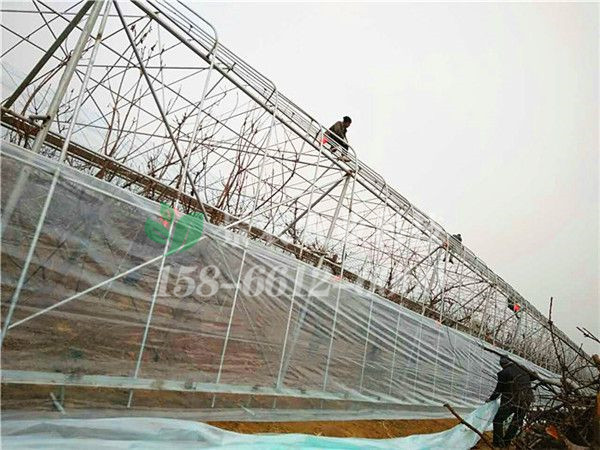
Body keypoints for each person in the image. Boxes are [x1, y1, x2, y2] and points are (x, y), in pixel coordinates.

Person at [487, 355, 534, 447]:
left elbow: (498, 390)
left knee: (498, 420)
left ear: (502, 365)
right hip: (527, 399)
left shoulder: (503, 373)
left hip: (512, 400)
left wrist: (491, 399)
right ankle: (506, 442)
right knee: (516, 421)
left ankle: (498, 443)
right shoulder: (522, 368)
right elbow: (534, 376)